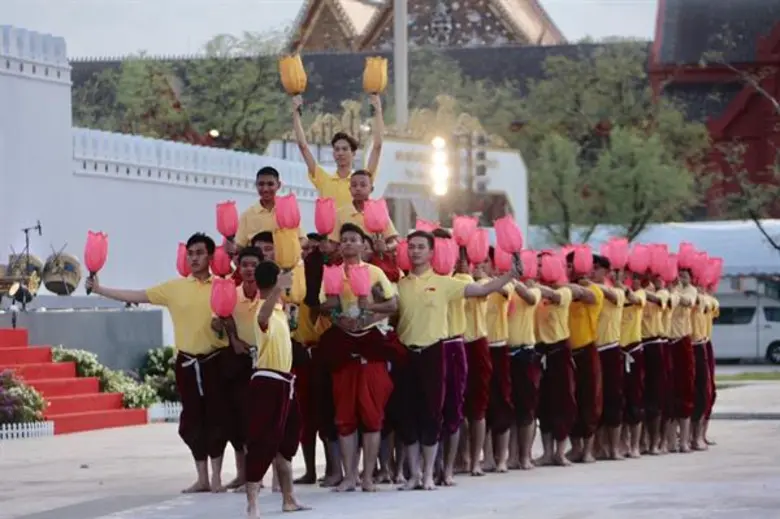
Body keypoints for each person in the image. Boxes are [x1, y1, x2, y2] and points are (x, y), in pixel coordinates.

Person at [86, 233, 229, 493]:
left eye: (199, 253)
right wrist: (100, 289)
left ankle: (217, 477)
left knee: (217, 419)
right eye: (191, 253)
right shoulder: (175, 288)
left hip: (215, 362)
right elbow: (138, 295)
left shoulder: (223, 286)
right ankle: (202, 477)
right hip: (187, 363)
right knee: (191, 422)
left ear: (210, 256)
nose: (194, 258)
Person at [394, 230, 519, 491]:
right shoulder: (399, 284)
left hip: (432, 352)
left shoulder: (444, 283)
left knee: (431, 413)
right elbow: (387, 309)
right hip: (406, 354)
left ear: (431, 253)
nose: (415, 251)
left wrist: (510, 275)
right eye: (412, 247)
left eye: (420, 247)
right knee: (408, 414)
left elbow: (483, 288)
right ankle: (414, 475)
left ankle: (429, 474)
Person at [318, 223, 399, 492]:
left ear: (364, 245)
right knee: (344, 415)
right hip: (342, 344)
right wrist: (339, 319)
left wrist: (369, 310)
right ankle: (350, 476)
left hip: (370, 344)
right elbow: (325, 306)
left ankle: (367, 477)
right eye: (345, 240)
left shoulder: (375, 272)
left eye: (355, 239)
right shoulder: (332, 273)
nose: (350, 244)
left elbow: (392, 305)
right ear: (340, 246)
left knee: (372, 414)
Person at [244, 261, 308, 517]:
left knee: (285, 442)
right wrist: (276, 291)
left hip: (285, 383)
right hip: (268, 382)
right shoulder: (263, 307)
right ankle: (252, 503)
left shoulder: (281, 311)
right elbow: (262, 317)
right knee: (263, 441)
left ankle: (289, 498)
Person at [211, 247, 263, 491]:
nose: (250, 269)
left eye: (254, 265)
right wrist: (230, 335)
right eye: (245, 265)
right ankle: (243, 474)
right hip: (239, 363)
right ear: (238, 268)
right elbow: (220, 319)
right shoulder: (230, 293)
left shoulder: (270, 294)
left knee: (262, 421)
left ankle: (259, 476)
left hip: (265, 362)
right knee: (239, 420)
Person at [292, 94, 384, 210]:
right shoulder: (324, 179)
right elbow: (303, 146)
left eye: (345, 149)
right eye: (337, 149)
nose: (340, 153)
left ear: (353, 153)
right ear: (333, 154)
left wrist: (378, 111)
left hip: (357, 228)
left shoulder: (361, 180)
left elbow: (377, 146)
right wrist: (295, 113)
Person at [431, 229, 470, 486]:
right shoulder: (421, 280)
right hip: (431, 345)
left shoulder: (461, 279)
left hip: (454, 345)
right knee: (432, 410)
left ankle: (449, 468)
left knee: (454, 409)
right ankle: (434, 466)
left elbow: (484, 286)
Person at [533, 252, 576, 467]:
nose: (539, 268)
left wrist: (533, 285)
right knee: (543, 403)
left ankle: (560, 451)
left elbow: (556, 297)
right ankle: (547, 452)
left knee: (563, 401)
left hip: (559, 350)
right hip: (540, 351)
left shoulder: (564, 290)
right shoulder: (532, 292)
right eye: (537, 264)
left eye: (542, 265)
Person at [565, 252, 604, 464]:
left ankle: (588, 449)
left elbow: (584, 294)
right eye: (568, 265)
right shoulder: (561, 288)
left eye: (574, 265)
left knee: (590, 399)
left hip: (586, 350)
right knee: (570, 400)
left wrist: (572, 285)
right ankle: (575, 447)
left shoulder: (594, 290)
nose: (571, 269)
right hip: (566, 351)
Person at [506, 258, 542, 470]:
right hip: (504, 351)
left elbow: (529, 298)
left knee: (526, 408)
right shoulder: (503, 286)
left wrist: (512, 281)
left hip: (525, 352)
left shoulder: (534, 290)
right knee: (508, 407)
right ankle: (511, 456)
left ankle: (525, 455)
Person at [483, 249, 514, 474]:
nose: (481, 264)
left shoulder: (504, 286)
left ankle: (501, 457)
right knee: (481, 405)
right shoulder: (467, 283)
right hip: (478, 347)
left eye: (485, 261)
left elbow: (502, 289)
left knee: (501, 402)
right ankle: (486, 458)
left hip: (498, 347)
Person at [592, 256, 626, 460]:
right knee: (594, 401)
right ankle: (597, 447)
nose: (591, 272)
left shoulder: (617, 291)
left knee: (613, 399)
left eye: (596, 269)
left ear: (606, 272)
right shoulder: (586, 291)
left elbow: (610, 295)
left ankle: (614, 447)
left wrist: (592, 286)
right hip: (592, 349)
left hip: (611, 349)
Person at [462, 261, 491, 476]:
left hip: (477, 344)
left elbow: (485, 289)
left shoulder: (482, 282)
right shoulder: (444, 281)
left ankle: (475, 460)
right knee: (455, 408)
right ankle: (460, 458)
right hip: (453, 342)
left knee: (478, 407)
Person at [233, 167, 305, 252]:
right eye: (261, 184)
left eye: (270, 184)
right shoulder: (247, 215)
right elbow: (240, 246)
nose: (265, 189)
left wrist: (287, 252)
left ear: (278, 185)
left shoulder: (287, 210)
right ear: (256, 185)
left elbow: (303, 239)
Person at [329, 169, 398, 254]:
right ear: (350, 189)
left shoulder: (379, 211)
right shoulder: (340, 213)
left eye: (363, 185)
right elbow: (334, 243)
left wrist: (385, 247)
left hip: (374, 261)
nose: (358, 188)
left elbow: (394, 242)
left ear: (371, 189)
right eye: (354, 185)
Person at [668, 268, 697, 453]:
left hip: (682, 343)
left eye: (685, 275)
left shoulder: (690, 291)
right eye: (678, 273)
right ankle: (671, 441)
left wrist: (675, 292)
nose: (681, 277)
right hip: (666, 342)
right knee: (669, 392)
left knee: (686, 391)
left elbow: (688, 302)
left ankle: (685, 441)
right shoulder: (667, 289)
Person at [641, 271, 670, 455]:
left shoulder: (663, 293)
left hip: (656, 344)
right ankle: (643, 441)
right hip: (638, 344)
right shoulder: (637, 290)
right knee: (640, 396)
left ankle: (658, 441)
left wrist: (641, 294)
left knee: (658, 396)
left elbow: (659, 301)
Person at [619, 272, 646, 459]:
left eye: (636, 277)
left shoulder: (641, 294)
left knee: (635, 399)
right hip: (616, 350)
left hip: (634, 350)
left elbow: (634, 298)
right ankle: (623, 443)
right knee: (619, 399)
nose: (633, 279)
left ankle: (635, 445)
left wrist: (623, 287)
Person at [690, 280, 712, 451]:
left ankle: (699, 435)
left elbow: (702, 302)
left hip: (700, 344)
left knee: (704, 391)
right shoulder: (677, 292)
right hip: (680, 343)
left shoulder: (705, 298)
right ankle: (687, 436)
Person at [702, 286, 720, 446]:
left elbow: (711, 306)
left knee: (708, 391)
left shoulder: (709, 300)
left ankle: (701, 433)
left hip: (704, 343)